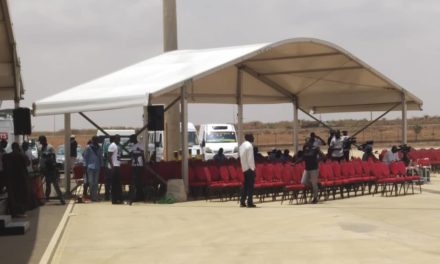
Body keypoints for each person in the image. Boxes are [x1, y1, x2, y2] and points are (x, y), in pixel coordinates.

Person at [3, 142, 32, 216]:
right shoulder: (22, 156)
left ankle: (14, 211)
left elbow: (4, 166)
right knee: (22, 195)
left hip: (11, 180)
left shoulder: (6, 156)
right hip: (21, 179)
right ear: (18, 148)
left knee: (13, 195)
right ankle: (20, 210)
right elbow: (28, 163)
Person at [295, 137, 324, 204]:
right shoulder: (305, 149)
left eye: (308, 142)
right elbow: (303, 157)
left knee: (314, 184)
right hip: (307, 168)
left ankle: (315, 198)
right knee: (303, 182)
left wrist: (318, 160)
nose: (307, 143)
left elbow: (322, 156)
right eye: (306, 142)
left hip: (314, 169)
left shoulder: (316, 149)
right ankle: (317, 185)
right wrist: (295, 163)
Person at [38, 135, 65, 205]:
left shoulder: (50, 147)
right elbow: (40, 158)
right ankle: (46, 198)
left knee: (55, 184)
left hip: (50, 169)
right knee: (46, 184)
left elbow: (53, 157)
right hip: (43, 168)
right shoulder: (40, 148)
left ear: (44, 140)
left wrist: (48, 158)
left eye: (41, 141)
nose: (40, 142)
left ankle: (61, 198)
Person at [83, 136, 102, 202]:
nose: (96, 141)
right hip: (90, 167)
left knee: (96, 182)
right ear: (93, 140)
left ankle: (95, 196)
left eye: (97, 140)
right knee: (91, 182)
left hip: (97, 167)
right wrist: (85, 166)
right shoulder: (88, 148)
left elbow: (100, 157)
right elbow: (85, 158)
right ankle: (92, 196)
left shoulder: (99, 148)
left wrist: (101, 165)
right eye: (95, 140)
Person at [239, 133, 256, 208]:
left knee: (245, 186)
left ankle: (242, 201)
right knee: (250, 187)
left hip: (244, 168)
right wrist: (253, 169)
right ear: (249, 137)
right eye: (252, 137)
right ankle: (250, 202)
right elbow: (250, 159)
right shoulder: (249, 146)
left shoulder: (242, 146)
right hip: (249, 169)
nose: (254, 138)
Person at [129, 134, 145, 205]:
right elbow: (131, 156)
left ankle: (138, 196)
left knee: (136, 182)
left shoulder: (140, 145)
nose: (130, 140)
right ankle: (139, 196)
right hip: (134, 165)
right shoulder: (132, 146)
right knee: (136, 182)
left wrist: (144, 164)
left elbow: (143, 155)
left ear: (134, 139)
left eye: (131, 139)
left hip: (139, 165)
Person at [108, 135, 123, 204]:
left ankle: (119, 199)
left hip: (117, 166)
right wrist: (112, 166)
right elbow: (109, 156)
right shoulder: (112, 145)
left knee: (118, 184)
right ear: (115, 139)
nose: (119, 140)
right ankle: (114, 200)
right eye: (118, 139)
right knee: (114, 184)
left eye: (119, 139)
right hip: (114, 167)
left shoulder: (118, 146)